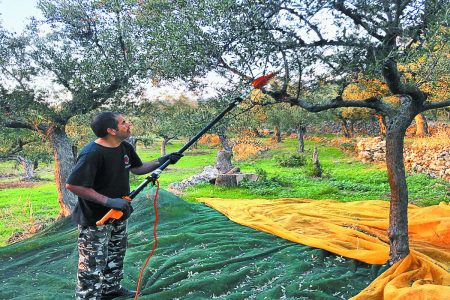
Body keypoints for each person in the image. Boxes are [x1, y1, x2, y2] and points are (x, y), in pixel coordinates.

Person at [66, 112, 182, 300]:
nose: (128, 125)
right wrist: (108, 201)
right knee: (92, 263)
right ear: (111, 130)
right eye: (123, 123)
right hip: (96, 219)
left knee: (116, 255)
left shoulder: (124, 147)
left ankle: (110, 289)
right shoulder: (92, 154)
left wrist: (163, 160)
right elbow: (73, 185)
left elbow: (137, 168)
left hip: (120, 214)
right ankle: (88, 296)